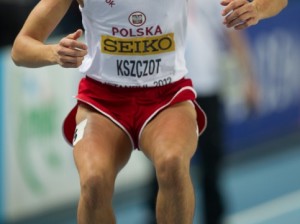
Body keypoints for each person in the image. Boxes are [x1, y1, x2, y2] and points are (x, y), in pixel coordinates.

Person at [10, 0, 287, 223]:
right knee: (94, 182)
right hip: (103, 102)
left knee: (171, 163)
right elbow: (21, 48)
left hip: (166, 96)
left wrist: (256, 9)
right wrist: (53, 53)